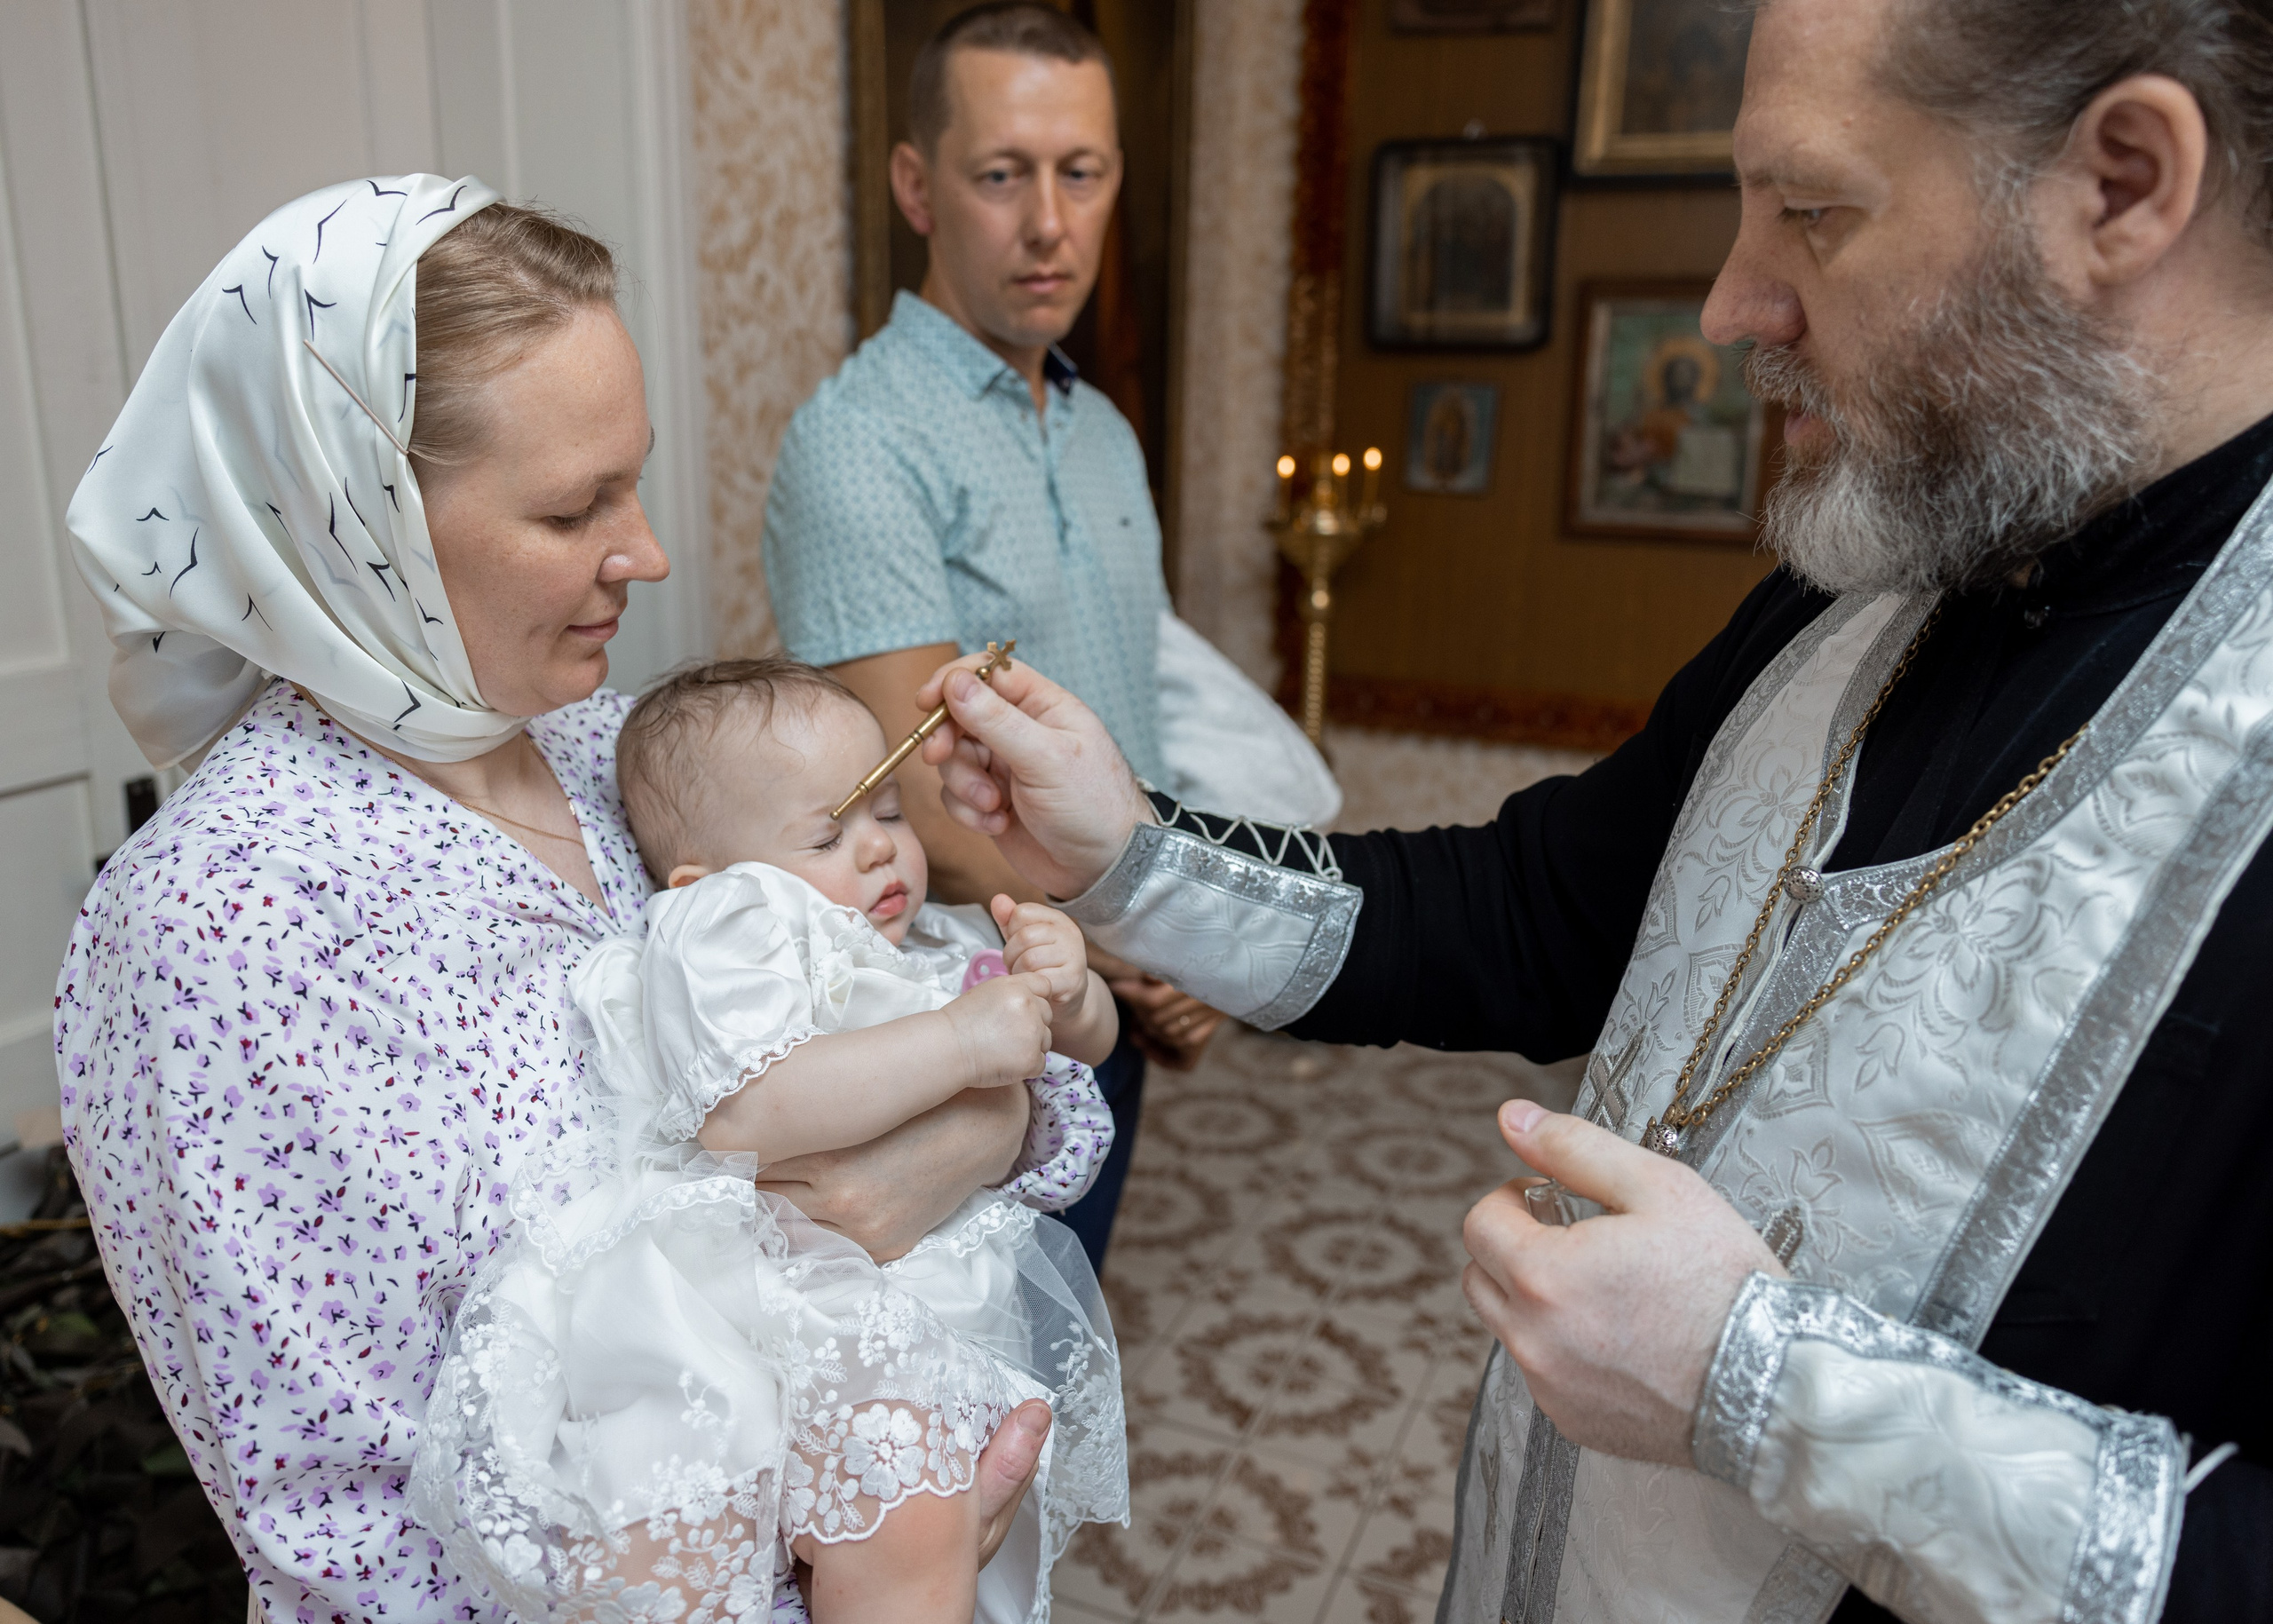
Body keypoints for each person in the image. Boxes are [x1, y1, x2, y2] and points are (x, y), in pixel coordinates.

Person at [893, 0, 2273, 1618]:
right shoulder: (1879, 584)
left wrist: (1762, 1386)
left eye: (1812, 212)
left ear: (2121, 182)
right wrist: (1131, 850)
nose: (1731, 301)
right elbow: (1541, 910)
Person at [54, 176, 1056, 1622]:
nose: (645, 551)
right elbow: (359, 1554)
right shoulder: (226, 917)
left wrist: (986, 1121)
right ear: (358, 523)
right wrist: (874, 1566)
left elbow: (969, 1028)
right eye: (574, 504)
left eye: (631, 479)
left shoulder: (619, 748)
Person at [420, 656, 1127, 1623]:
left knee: (925, 1532)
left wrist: (1073, 992)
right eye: (831, 832)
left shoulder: (921, 943)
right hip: (760, 1317)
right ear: (706, 882)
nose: (881, 852)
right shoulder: (732, 931)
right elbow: (747, 1104)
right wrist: (961, 1039)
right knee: (806, 1530)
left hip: (916, 1323)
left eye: (886, 811)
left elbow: (1074, 1051)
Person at [760, 2, 1223, 1272]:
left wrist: (1165, 938)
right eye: (1001, 175)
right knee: (979, 1383)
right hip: (960, 1017)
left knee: (1069, 1330)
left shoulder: (1105, 431)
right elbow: (912, 788)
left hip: (1098, 977)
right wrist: (1158, 934)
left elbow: (1137, 715)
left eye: (1082, 173)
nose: (1049, 224)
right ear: (918, 186)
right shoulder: (861, 441)